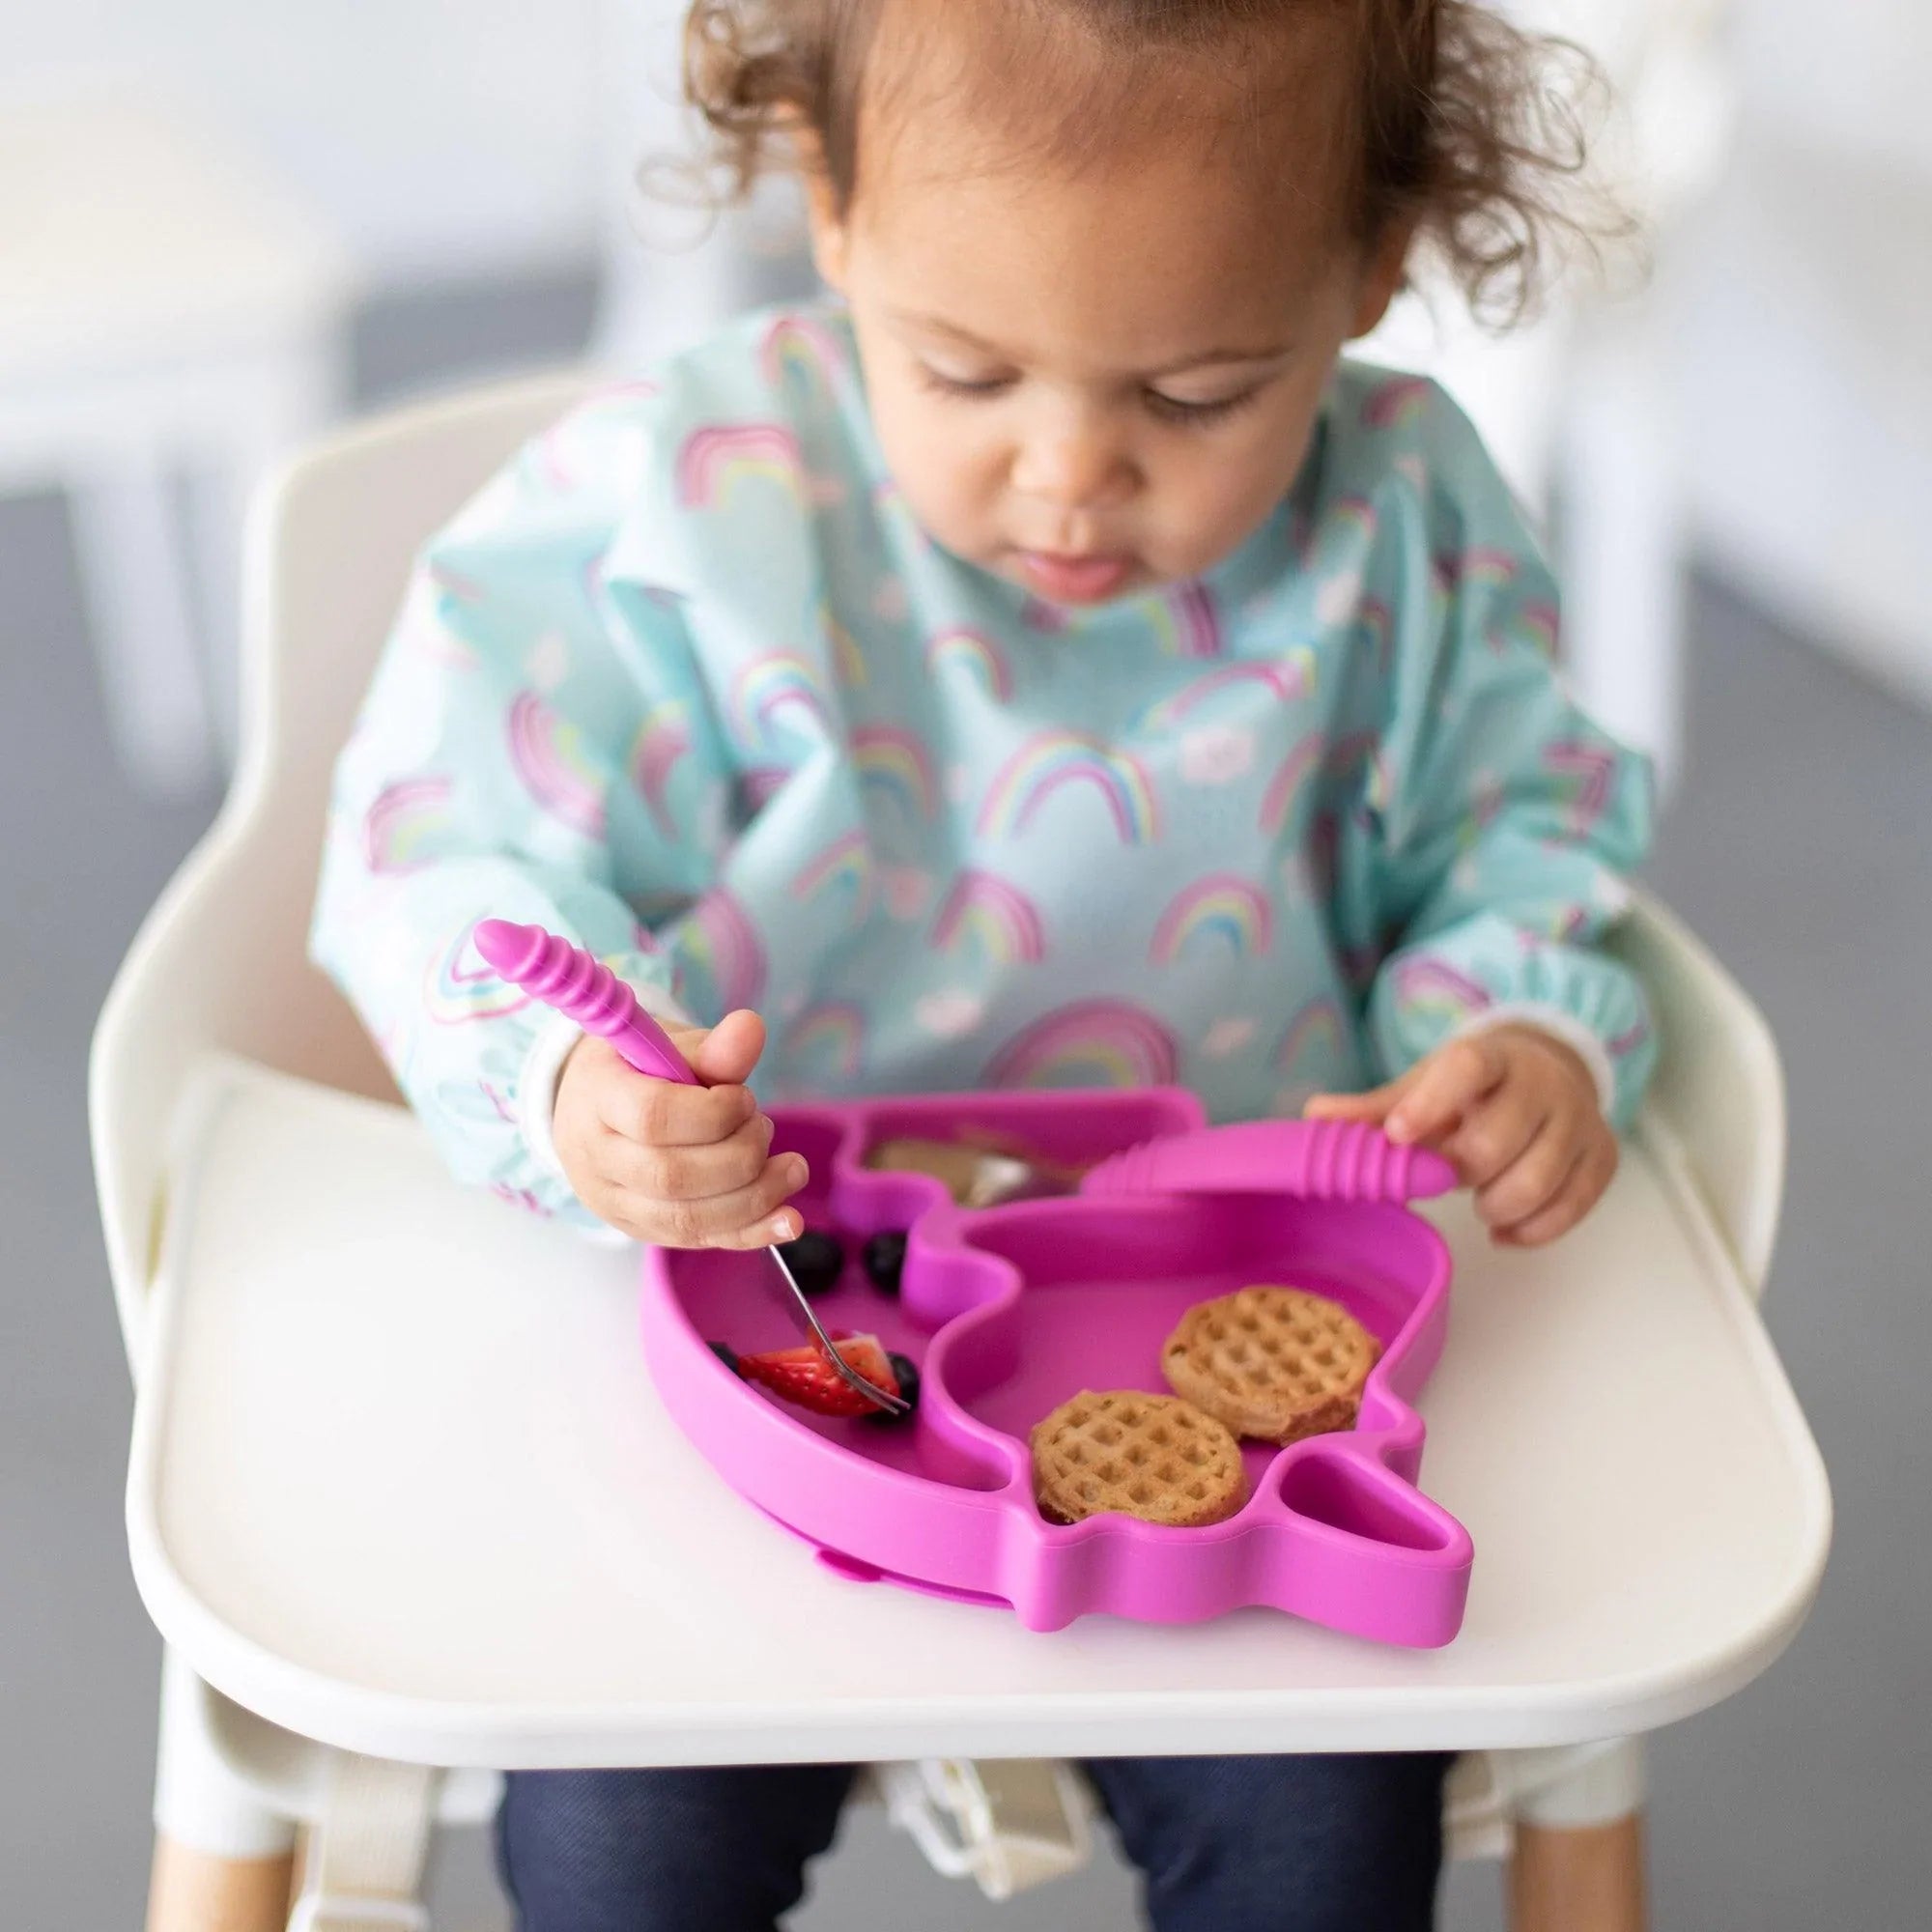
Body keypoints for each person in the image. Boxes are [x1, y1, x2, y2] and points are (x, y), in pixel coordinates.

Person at [312, 4, 1655, 1925]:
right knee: (614, 1845)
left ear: (1369, 265)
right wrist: (565, 1084)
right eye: (963, 369)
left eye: (1193, 394)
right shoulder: (691, 502)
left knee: (1325, 1841)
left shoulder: (1405, 531)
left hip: (1229, 1370)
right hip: (766, 1328)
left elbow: (1522, 831)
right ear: (835, 210)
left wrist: (1516, 1031)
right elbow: (438, 841)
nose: (1067, 477)